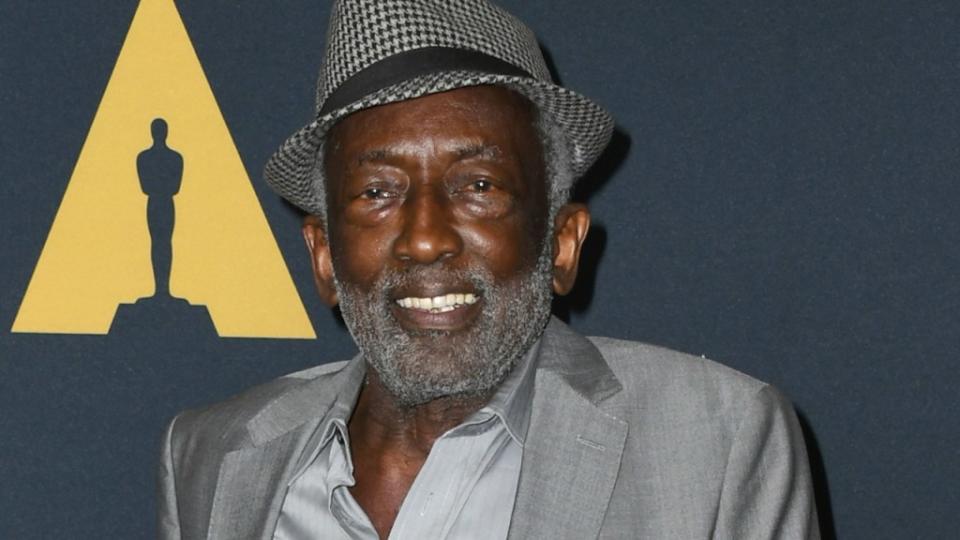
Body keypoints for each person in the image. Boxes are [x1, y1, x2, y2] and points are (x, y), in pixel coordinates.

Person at [157, 1, 819, 538]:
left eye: (479, 186)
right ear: (324, 258)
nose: (424, 240)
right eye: (376, 193)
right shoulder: (211, 456)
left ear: (561, 244)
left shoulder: (716, 442)